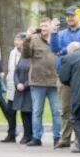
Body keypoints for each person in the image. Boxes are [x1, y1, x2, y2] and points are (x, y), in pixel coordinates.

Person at [50, 6, 80, 149]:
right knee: (65, 109)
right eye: (68, 16)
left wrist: (62, 51)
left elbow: (76, 48)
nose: (70, 18)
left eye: (73, 15)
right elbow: (54, 49)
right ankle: (65, 138)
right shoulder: (62, 33)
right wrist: (54, 32)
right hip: (64, 75)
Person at [21, 19, 61, 147]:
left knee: (56, 112)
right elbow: (25, 55)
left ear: (51, 27)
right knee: (37, 112)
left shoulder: (56, 38)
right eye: (41, 26)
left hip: (54, 82)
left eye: (46, 25)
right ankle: (36, 137)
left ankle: (57, 137)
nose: (43, 28)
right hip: (37, 82)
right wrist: (27, 39)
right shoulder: (33, 39)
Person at [10, 33, 33, 143]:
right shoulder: (21, 58)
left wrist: (25, 85)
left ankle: (31, 135)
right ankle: (26, 135)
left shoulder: (33, 59)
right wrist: (17, 83)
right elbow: (16, 72)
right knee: (23, 113)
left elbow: (34, 74)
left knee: (30, 113)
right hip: (19, 89)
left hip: (29, 89)